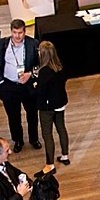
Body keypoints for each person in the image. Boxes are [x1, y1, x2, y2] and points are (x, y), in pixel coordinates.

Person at [0, 19, 40, 151]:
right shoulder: (1, 45)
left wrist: (30, 74)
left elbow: (40, 64)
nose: (17, 36)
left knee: (32, 114)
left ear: (25, 31)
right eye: (15, 32)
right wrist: (1, 83)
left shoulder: (33, 44)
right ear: (11, 31)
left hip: (28, 86)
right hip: (9, 86)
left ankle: (34, 138)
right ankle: (18, 140)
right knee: (13, 116)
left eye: (20, 33)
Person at [34, 40, 72, 169]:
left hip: (47, 107)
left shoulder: (44, 71)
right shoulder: (60, 66)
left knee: (47, 134)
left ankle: (49, 164)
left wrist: (35, 85)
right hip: (60, 103)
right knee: (61, 128)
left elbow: (41, 91)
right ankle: (65, 156)